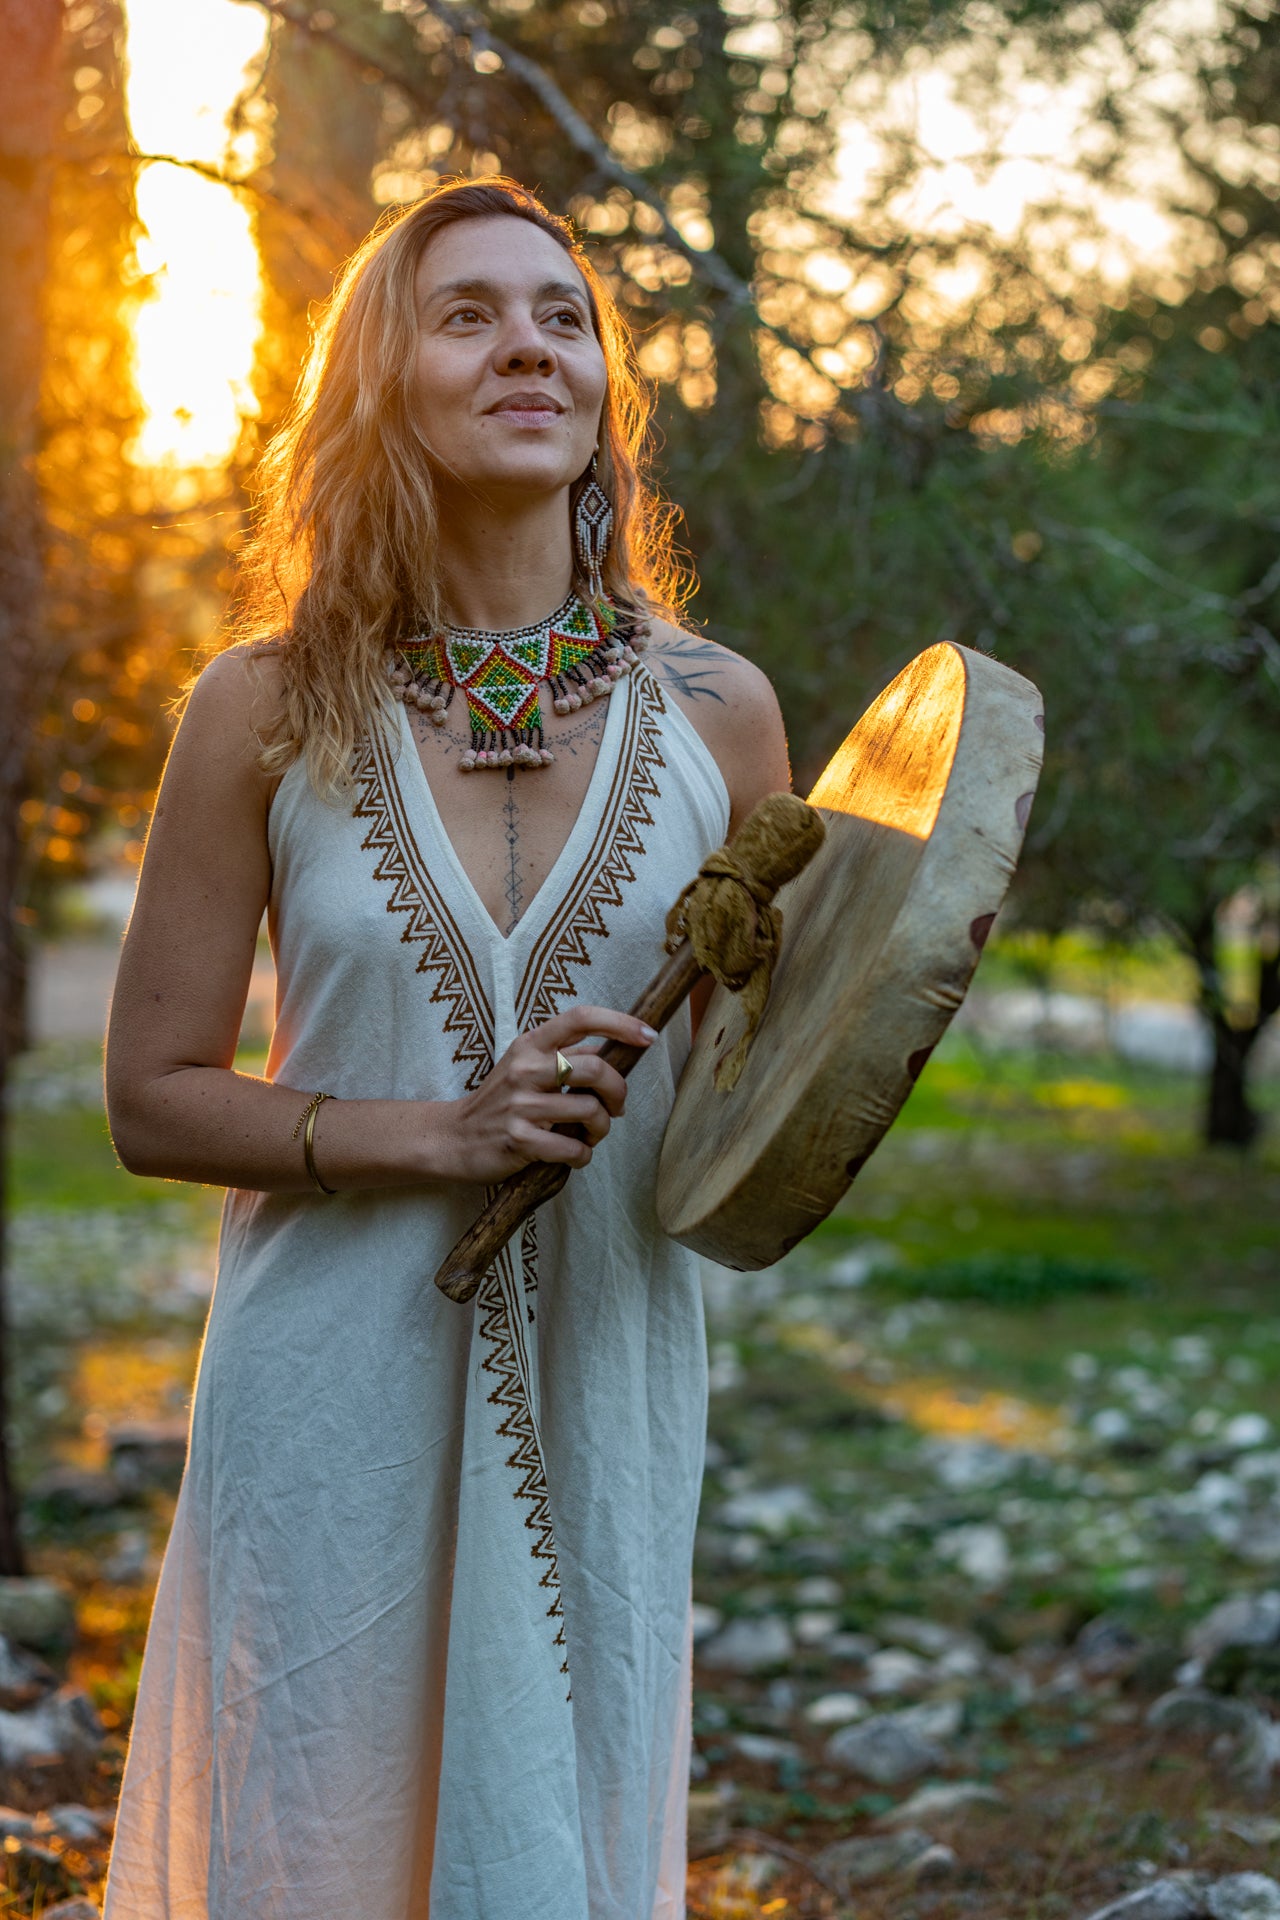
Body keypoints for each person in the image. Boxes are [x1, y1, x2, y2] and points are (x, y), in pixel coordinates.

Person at [102, 176, 789, 1920]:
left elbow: (764, 1099)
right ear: (377, 379)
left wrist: (890, 991)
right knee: (315, 1822)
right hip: (330, 1382)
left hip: (606, 1364)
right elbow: (151, 1095)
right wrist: (436, 1135)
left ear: (604, 399)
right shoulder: (262, 705)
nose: (528, 347)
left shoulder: (722, 709)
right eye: (469, 312)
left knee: (557, 1813)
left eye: (564, 316)